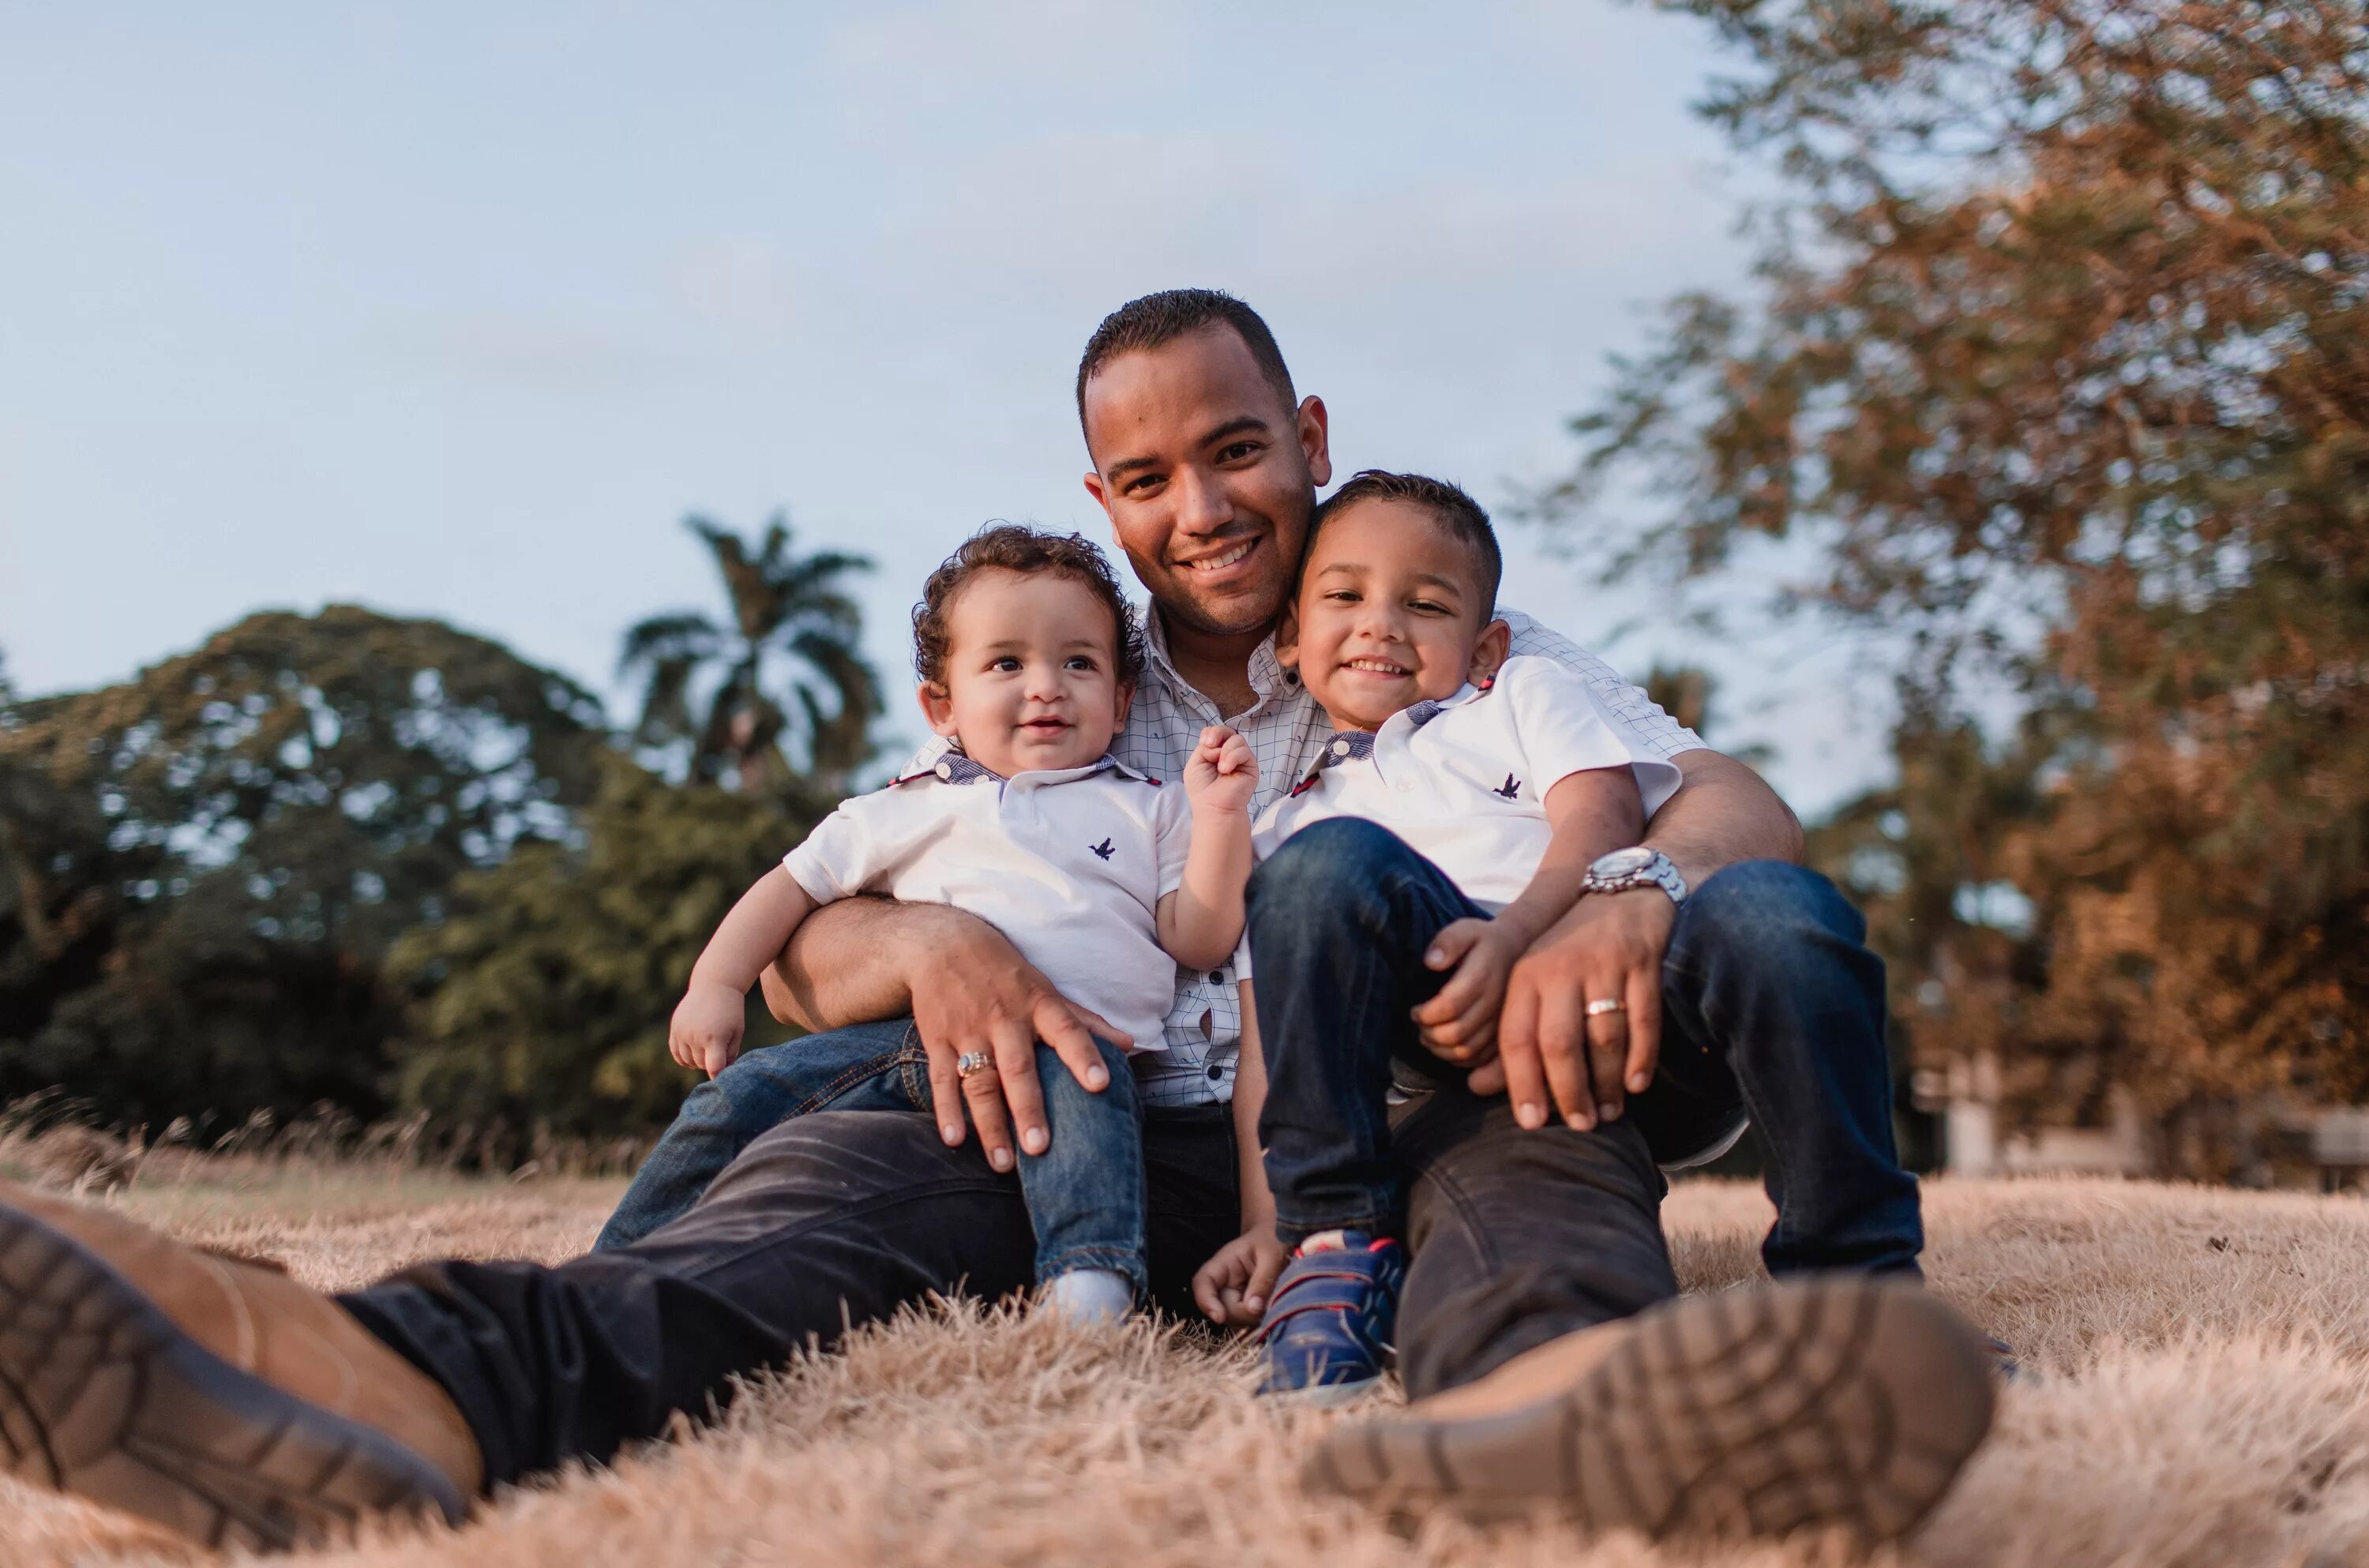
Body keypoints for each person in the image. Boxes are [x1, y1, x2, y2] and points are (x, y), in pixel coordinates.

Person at [0, 289, 1989, 1554]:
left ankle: (1557, 1411)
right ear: (1100, 496)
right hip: (1083, 1098)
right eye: (1148, 474)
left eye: (1232, 449)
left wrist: (1624, 895)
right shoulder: (1048, 664)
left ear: (1307, 433)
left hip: (1388, 1097)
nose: (1199, 503)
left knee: (1534, 1175)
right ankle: (392, 1384)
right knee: (816, 1212)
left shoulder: (1426, 620)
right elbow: (816, 930)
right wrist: (935, 950)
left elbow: (1722, 795)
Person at [592, 526, 1257, 1326]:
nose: (1046, 685)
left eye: (1078, 662)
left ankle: (1090, 1286)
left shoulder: (1150, 803)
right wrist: (717, 982)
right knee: (737, 1096)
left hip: (1085, 1046)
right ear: (942, 704)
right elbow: (790, 887)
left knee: (1088, 1083)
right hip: (912, 1041)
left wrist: (1220, 819)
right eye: (1007, 663)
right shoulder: (910, 799)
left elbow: (1200, 937)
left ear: (1120, 700)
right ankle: (608, 1272)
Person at [1210, 470, 1683, 1399]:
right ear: (1292, 645)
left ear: (1485, 645)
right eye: (1345, 597)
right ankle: (1335, 1244)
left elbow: (1603, 810)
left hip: (1549, 1012)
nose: (1382, 622)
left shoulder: (1516, 701)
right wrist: (1270, 1217)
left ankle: (1555, 1384)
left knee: (1542, 1239)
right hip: (1400, 1075)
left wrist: (1524, 930)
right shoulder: (1284, 824)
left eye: (1424, 605)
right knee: (1321, 867)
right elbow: (1273, 1041)